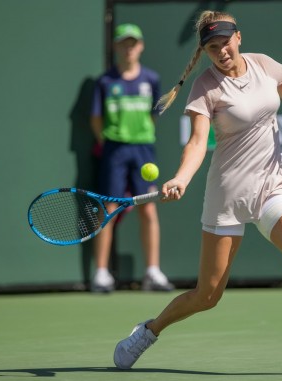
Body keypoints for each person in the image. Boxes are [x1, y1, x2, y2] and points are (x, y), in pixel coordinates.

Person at [112, 11, 282, 377]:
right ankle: (148, 331)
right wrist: (181, 177)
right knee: (207, 296)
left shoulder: (265, 65)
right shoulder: (205, 87)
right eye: (213, 48)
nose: (221, 52)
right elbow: (197, 143)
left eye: (225, 43)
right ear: (206, 51)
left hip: (273, 186)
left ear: (238, 38)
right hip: (227, 194)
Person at [90, 23, 174, 292]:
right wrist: (110, 140)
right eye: (123, 43)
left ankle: (152, 272)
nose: (128, 48)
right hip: (114, 149)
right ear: (115, 47)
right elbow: (95, 119)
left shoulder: (150, 79)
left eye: (133, 43)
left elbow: (153, 115)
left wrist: (139, 135)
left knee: (148, 208)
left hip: (143, 151)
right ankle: (101, 274)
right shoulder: (105, 81)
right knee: (108, 210)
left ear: (141, 46)